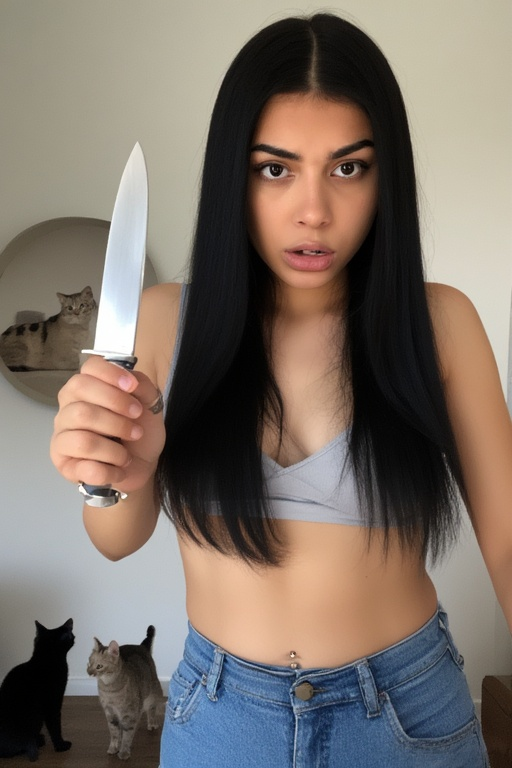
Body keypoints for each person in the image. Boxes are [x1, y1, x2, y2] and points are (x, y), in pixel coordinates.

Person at [49, 13, 506, 767]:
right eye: (275, 169)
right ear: (235, 176)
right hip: (220, 717)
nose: (314, 210)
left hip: (406, 714)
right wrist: (112, 470)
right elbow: (116, 540)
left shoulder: (439, 324)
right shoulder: (162, 321)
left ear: (385, 177)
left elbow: (508, 539)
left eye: (349, 168)